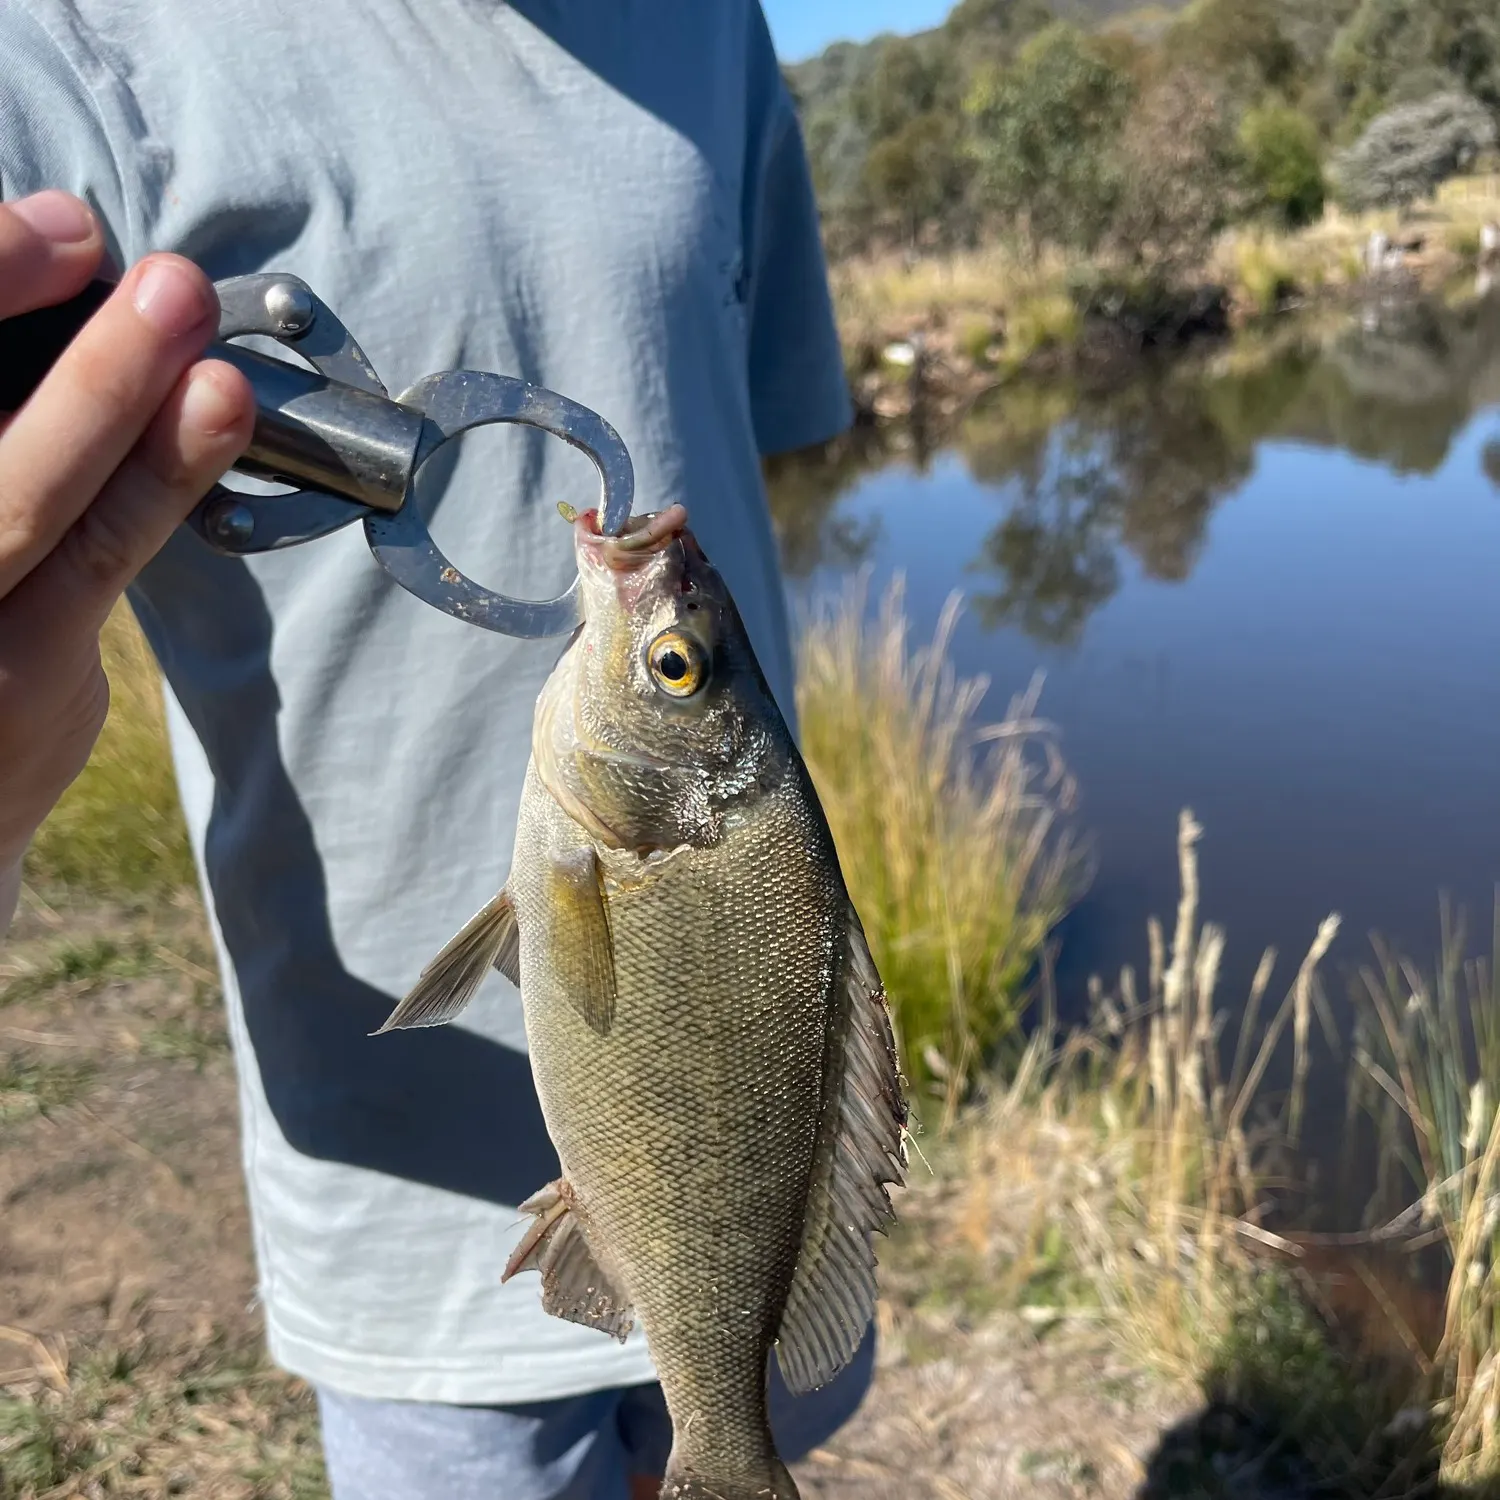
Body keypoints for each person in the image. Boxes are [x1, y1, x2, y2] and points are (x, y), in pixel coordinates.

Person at [0, 3, 866, 1497]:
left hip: (764, 1170)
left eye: (677, 656)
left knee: (741, 1430)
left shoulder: (715, 22)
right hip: (394, 1200)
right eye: (677, 658)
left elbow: (757, 415)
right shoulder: (60, 47)